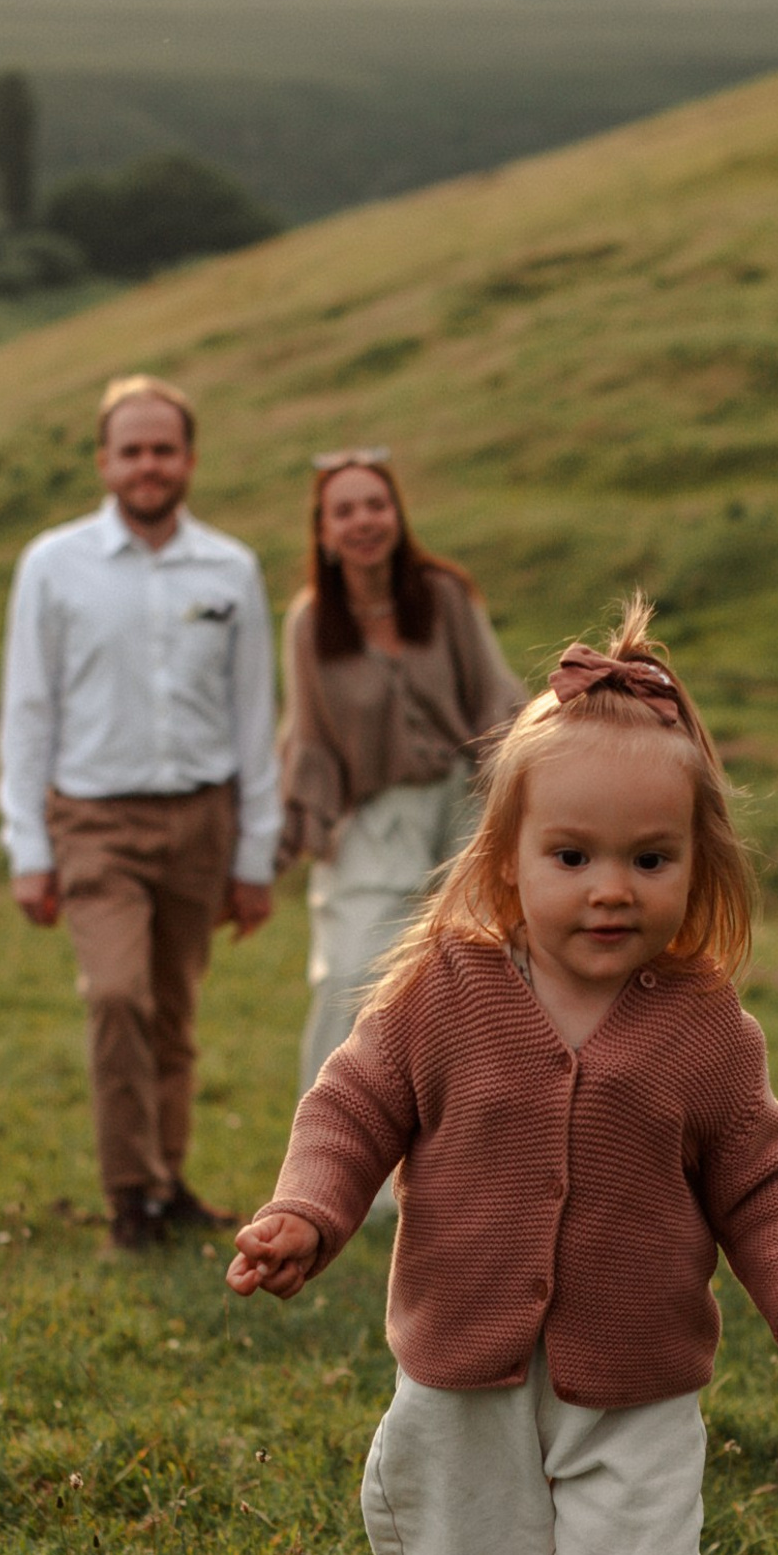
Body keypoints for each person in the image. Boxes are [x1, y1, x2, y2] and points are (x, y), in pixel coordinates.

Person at [229, 601, 778, 1555]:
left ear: (700, 865)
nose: (611, 891)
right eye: (572, 858)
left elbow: (760, 1169)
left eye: (650, 859)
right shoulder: (448, 992)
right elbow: (355, 1104)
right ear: (507, 862)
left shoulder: (702, 1028)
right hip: (464, 1352)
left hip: (631, 1374)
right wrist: (309, 1210)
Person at [0, 375, 279, 1251]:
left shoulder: (230, 569)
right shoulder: (54, 565)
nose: (148, 466)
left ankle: (169, 1180)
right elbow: (28, 708)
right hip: (94, 822)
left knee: (173, 1011)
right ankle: (130, 1199)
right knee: (118, 997)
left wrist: (255, 856)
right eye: (131, 451)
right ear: (104, 462)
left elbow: (253, 715)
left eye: (164, 449)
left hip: (203, 820)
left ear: (189, 459)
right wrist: (27, 848)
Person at [280, 448, 523, 1100]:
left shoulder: (443, 595)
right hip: (373, 817)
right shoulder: (310, 624)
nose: (364, 521)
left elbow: (496, 696)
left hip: (464, 808)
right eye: (345, 511)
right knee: (352, 977)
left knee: (475, 980)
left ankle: (459, 1163)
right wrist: (296, 832)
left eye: (376, 505)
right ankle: (329, 1166)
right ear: (325, 533)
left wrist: (521, 794)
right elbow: (308, 737)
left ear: (397, 515)